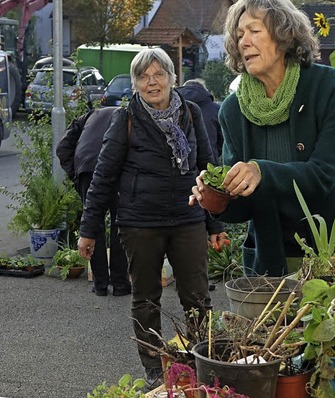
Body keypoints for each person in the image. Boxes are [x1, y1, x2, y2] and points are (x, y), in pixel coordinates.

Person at [190, 0, 335, 277]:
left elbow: (323, 175)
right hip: (274, 253)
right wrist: (217, 198)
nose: (244, 42)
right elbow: (244, 204)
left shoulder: (333, 88)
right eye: (239, 35)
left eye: (254, 31)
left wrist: (260, 170)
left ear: (284, 35)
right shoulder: (233, 109)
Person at [76, 48, 225, 390]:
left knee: (198, 297)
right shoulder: (126, 118)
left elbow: (208, 167)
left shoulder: (190, 114)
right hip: (139, 223)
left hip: (187, 218)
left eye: (158, 74)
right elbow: (103, 177)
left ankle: (201, 360)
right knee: (145, 298)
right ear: (135, 83)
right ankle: (155, 369)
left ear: (173, 78)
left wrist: (215, 223)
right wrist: (89, 230)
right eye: (143, 76)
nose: (151, 82)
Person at [56, 106, 130, 297]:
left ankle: (100, 285)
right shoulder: (129, 115)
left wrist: (76, 174)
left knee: (93, 225)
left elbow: (62, 147)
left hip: (86, 168)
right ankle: (121, 284)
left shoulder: (89, 115)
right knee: (119, 224)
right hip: (117, 171)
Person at [176, 78, 223, 162]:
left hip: (179, 164)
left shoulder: (170, 107)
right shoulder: (216, 109)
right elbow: (223, 140)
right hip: (209, 165)